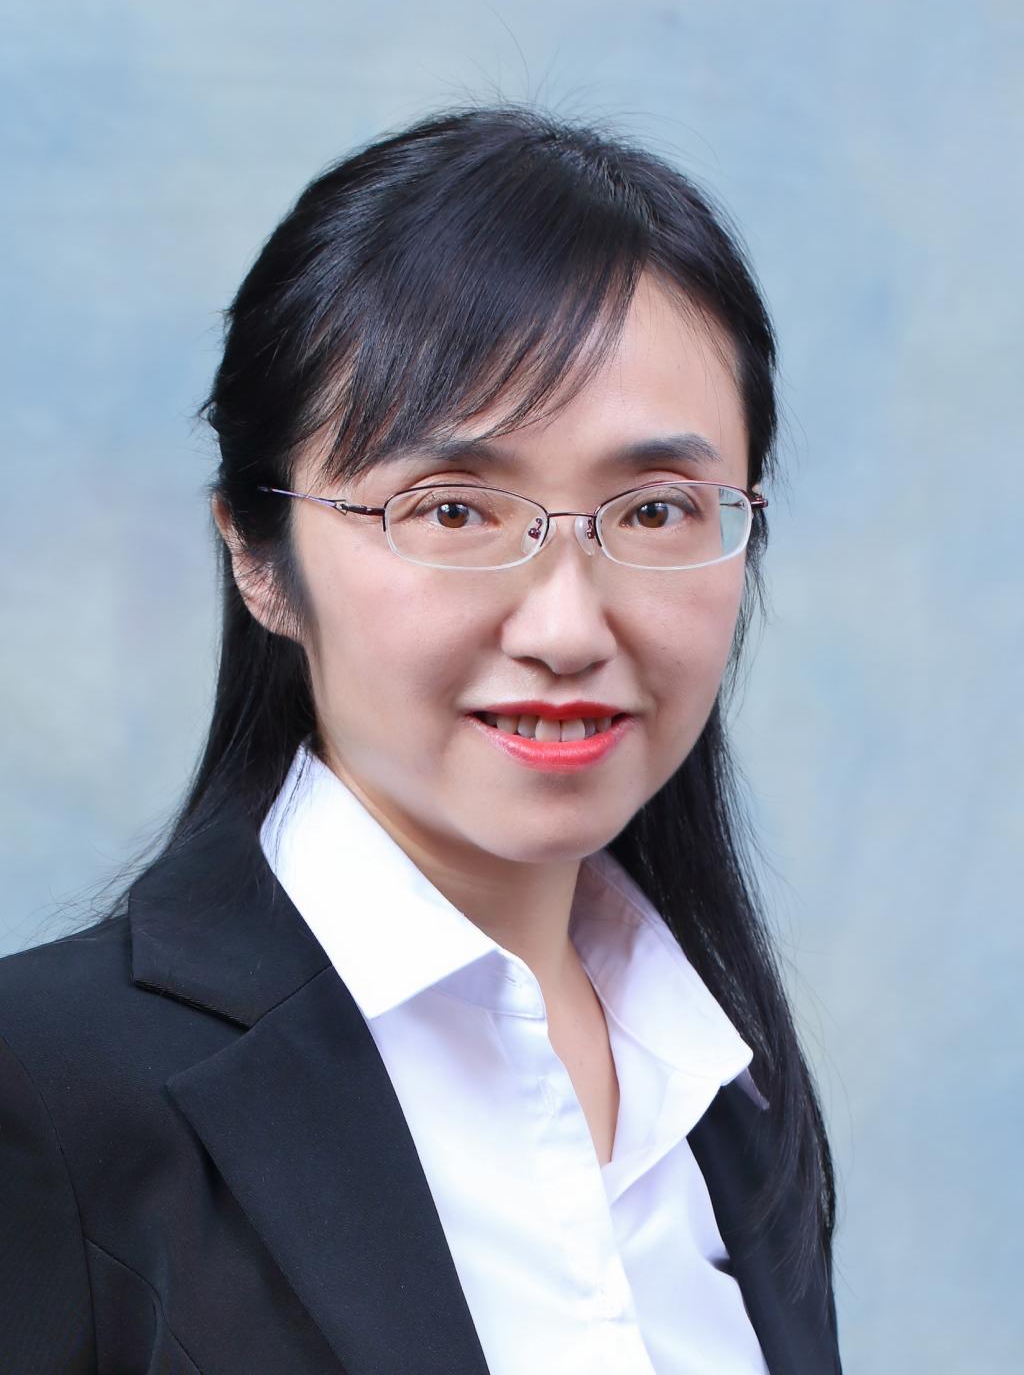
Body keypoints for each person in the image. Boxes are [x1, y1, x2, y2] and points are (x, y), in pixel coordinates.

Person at [0, 106, 842, 1374]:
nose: (566, 626)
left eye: (653, 508)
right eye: (451, 508)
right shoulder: (45, 1090)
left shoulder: (725, 1090)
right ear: (258, 556)